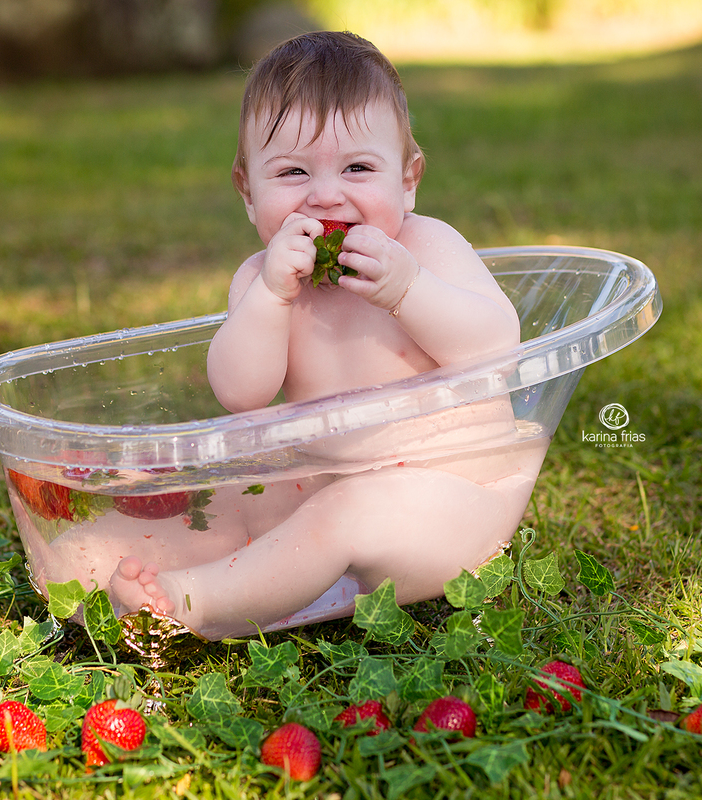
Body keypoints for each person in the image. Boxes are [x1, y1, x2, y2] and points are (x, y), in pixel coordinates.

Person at [95, 31, 548, 639]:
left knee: (342, 514)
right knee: (233, 497)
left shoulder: (426, 248)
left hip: (455, 498)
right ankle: (104, 562)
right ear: (248, 192)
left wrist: (406, 289)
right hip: (327, 482)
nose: (327, 194)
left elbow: (497, 345)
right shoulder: (262, 280)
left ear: (408, 180)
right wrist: (271, 298)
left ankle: (193, 601)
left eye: (358, 168)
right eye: (291, 172)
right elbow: (240, 392)